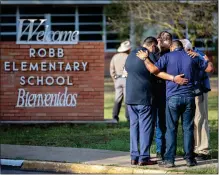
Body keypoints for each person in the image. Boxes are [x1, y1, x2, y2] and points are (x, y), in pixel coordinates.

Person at [136, 40, 214, 167]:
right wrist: (203, 57)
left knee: (171, 129)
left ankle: (170, 160)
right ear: (182, 47)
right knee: (188, 128)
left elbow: (153, 70)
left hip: (173, 98)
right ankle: (190, 159)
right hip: (189, 97)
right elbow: (210, 68)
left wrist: (145, 59)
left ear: (172, 47)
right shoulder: (192, 56)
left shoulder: (167, 56)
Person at [125, 37, 188, 166]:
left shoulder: (130, 55)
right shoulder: (148, 55)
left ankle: (134, 156)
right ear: (153, 46)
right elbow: (156, 71)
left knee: (134, 127)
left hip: (130, 98)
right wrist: (173, 78)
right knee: (145, 128)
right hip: (144, 98)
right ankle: (144, 157)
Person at [180, 39, 212, 160]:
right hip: (184, 92)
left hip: (199, 91)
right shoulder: (178, 54)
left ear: (189, 49)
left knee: (200, 119)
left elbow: (209, 68)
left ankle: (203, 150)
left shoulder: (197, 52)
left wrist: (199, 56)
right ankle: (190, 150)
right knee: (189, 122)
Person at [151, 31, 172, 159]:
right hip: (153, 92)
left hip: (166, 91)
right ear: (158, 39)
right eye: (163, 39)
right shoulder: (153, 54)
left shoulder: (171, 54)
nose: (165, 41)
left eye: (168, 39)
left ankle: (162, 150)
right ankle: (157, 150)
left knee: (163, 123)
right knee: (154, 123)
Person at [110, 41, 131, 122]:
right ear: (128, 49)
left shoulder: (115, 57)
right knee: (127, 99)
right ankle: (128, 117)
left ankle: (115, 117)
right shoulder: (128, 57)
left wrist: (115, 80)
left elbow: (112, 70)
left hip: (118, 79)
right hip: (127, 79)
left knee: (117, 99)